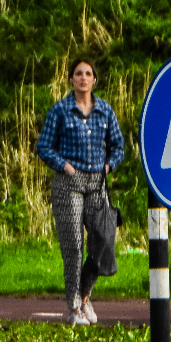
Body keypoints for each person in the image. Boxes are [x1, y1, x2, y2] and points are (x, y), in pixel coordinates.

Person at [35, 58, 125, 324]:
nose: (83, 78)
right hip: (69, 185)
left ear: (94, 79)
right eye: (78, 73)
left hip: (97, 184)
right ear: (72, 79)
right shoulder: (60, 110)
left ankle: (86, 296)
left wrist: (109, 165)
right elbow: (44, 147)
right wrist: (63, 166)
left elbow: (118, 145)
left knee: (102, 241)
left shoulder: (105, 111)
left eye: (88, 73)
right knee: (73, 245)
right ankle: (73, 306)